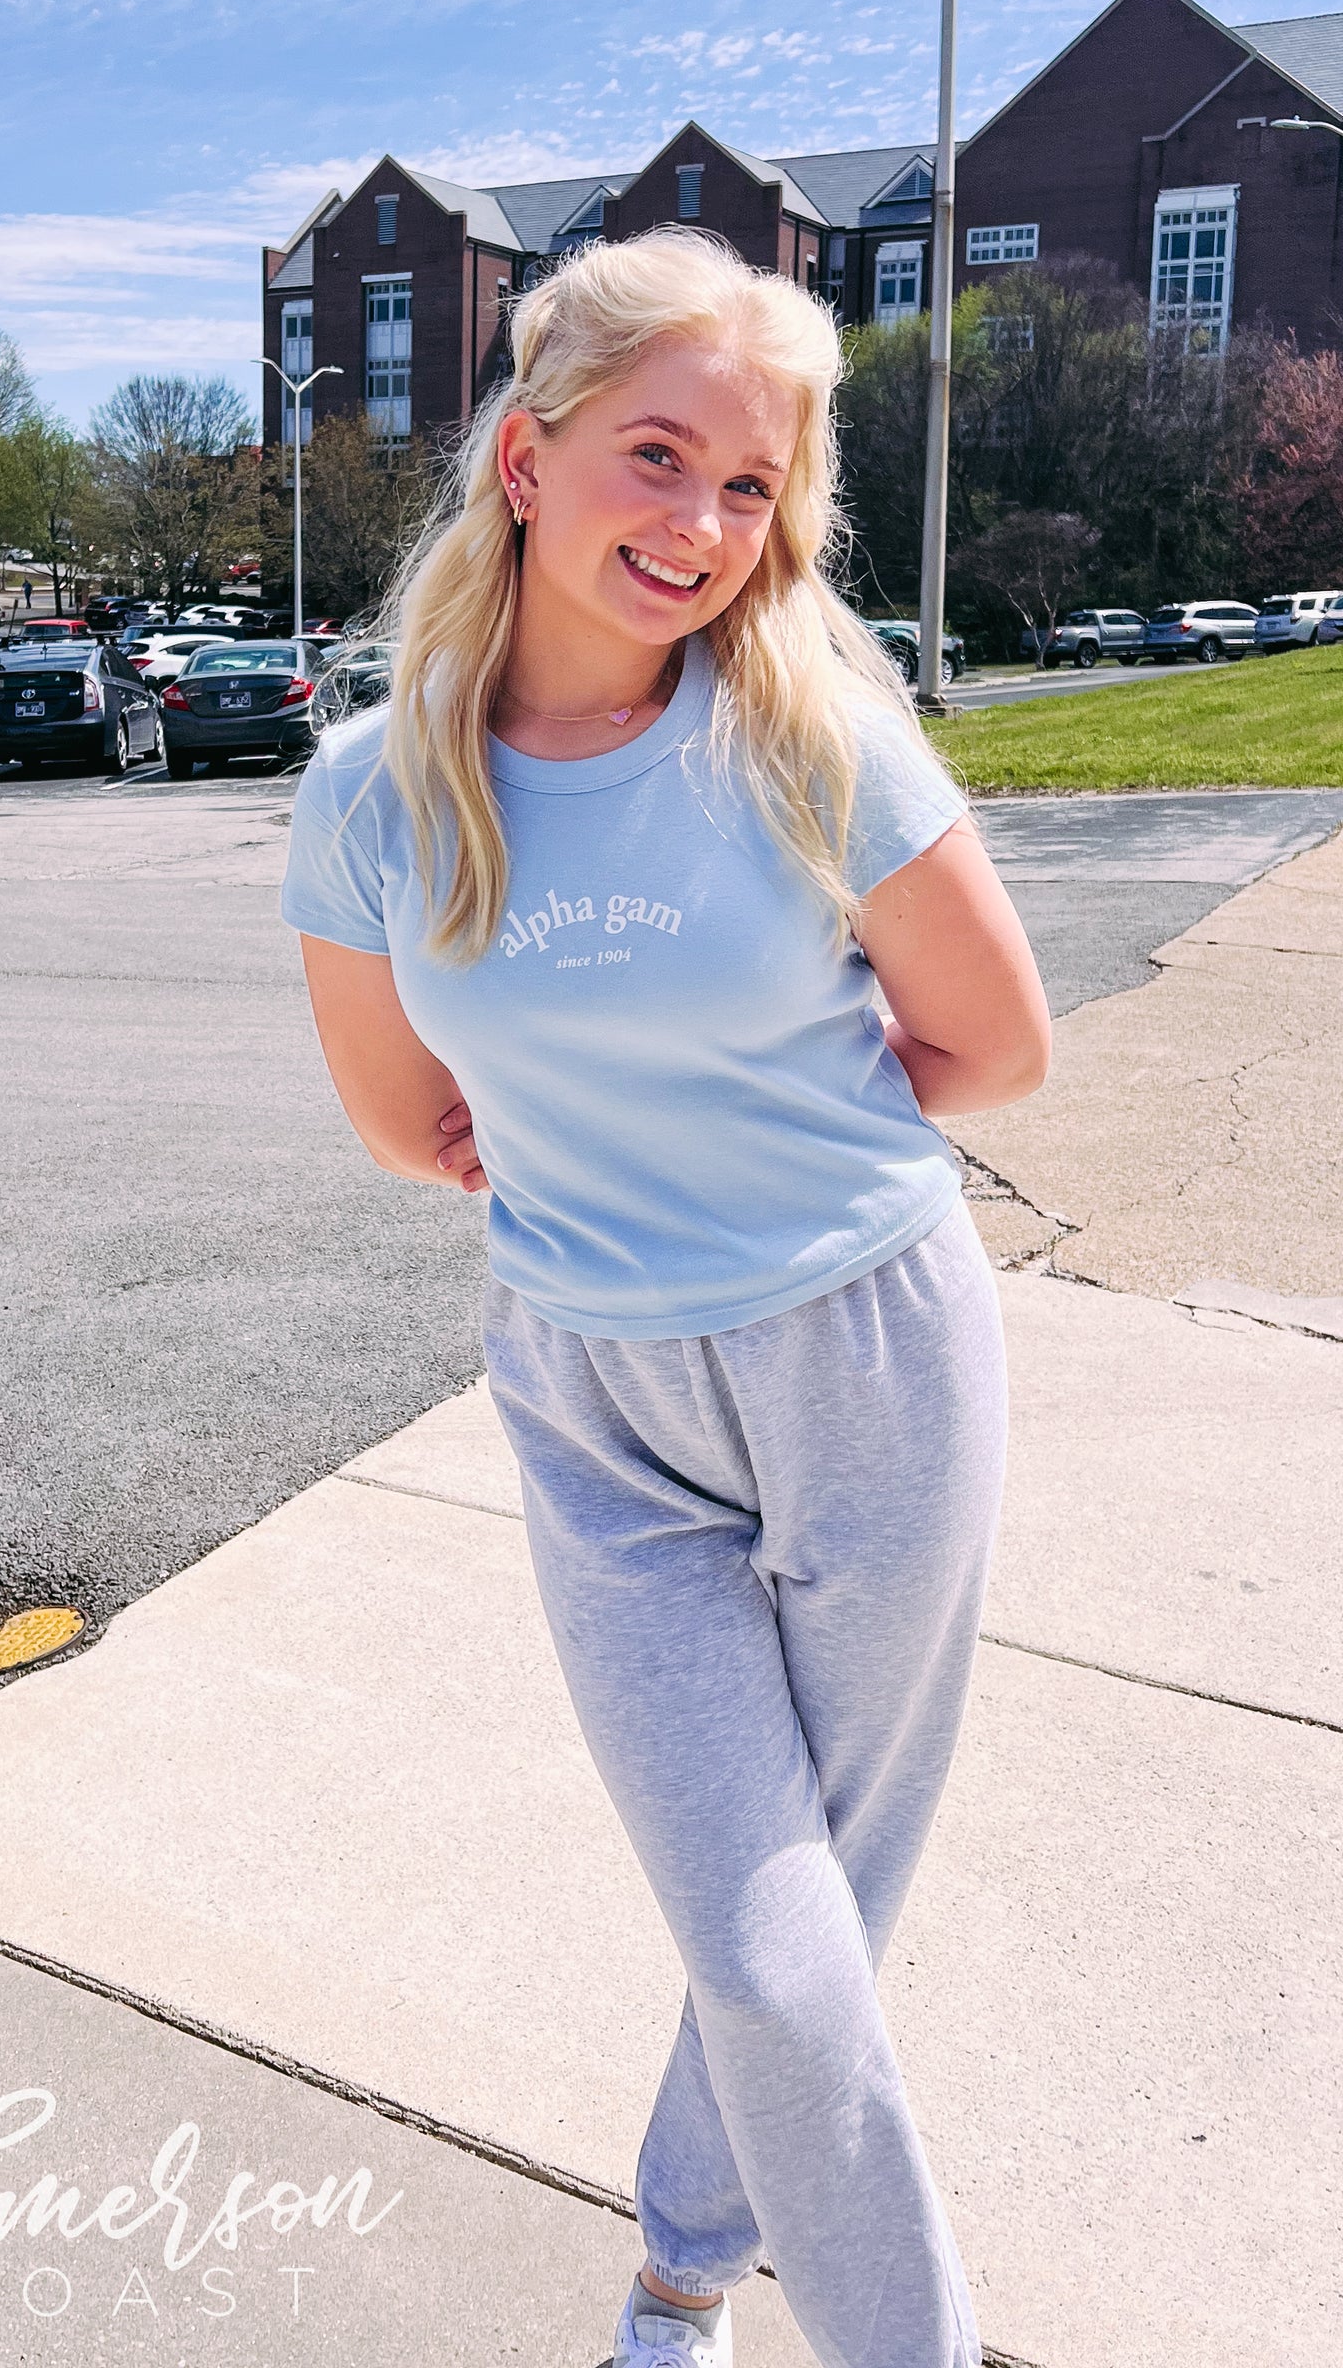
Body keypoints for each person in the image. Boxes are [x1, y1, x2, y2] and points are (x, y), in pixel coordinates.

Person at [279, 227, 1051, 2368]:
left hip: (868, 1355)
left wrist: (750, 1128)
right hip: (590, 1402)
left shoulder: (813, 736)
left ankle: (682, 2279)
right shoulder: (368, 793)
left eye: (748, 485)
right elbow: (399, 1122)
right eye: (657, 457)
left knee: (815, 1919)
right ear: (526, 460)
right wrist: (602, 1128)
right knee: (769, 1940)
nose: (702, 524)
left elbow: (995, 1046)